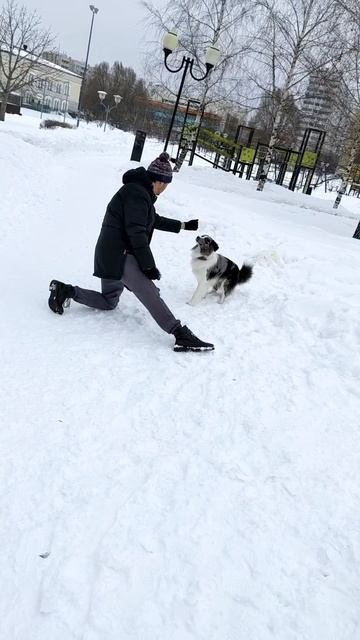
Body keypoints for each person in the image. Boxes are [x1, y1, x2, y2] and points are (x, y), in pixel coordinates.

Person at [48, 152, 214, 352]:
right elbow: (136, 234)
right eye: (165, 184)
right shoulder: (137, 194)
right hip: (121, 256)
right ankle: (179, 333)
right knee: (149, 292)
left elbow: (154, 219)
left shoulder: (138, 192)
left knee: (109, 301)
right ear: (159, 181)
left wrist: (184, 225)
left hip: (108, 254)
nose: (165, 189)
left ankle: (66, 291)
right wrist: (148, 266)